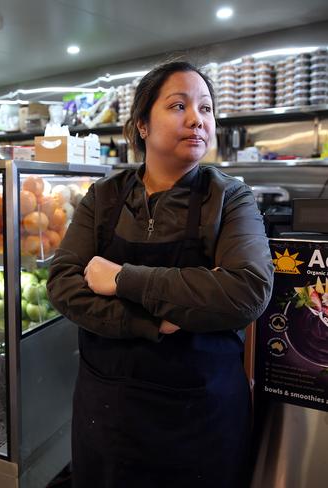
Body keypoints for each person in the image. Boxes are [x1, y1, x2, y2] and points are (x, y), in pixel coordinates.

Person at [47, 61, 274, 488]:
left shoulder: (230, 198)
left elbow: (246, 290)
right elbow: (63, 283)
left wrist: (121, 280)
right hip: (108, 418)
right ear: (142, 126)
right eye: (178, 105)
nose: (197, 119)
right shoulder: (104, 197)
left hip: (201, 423)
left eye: (206, 109)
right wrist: (148, 321)